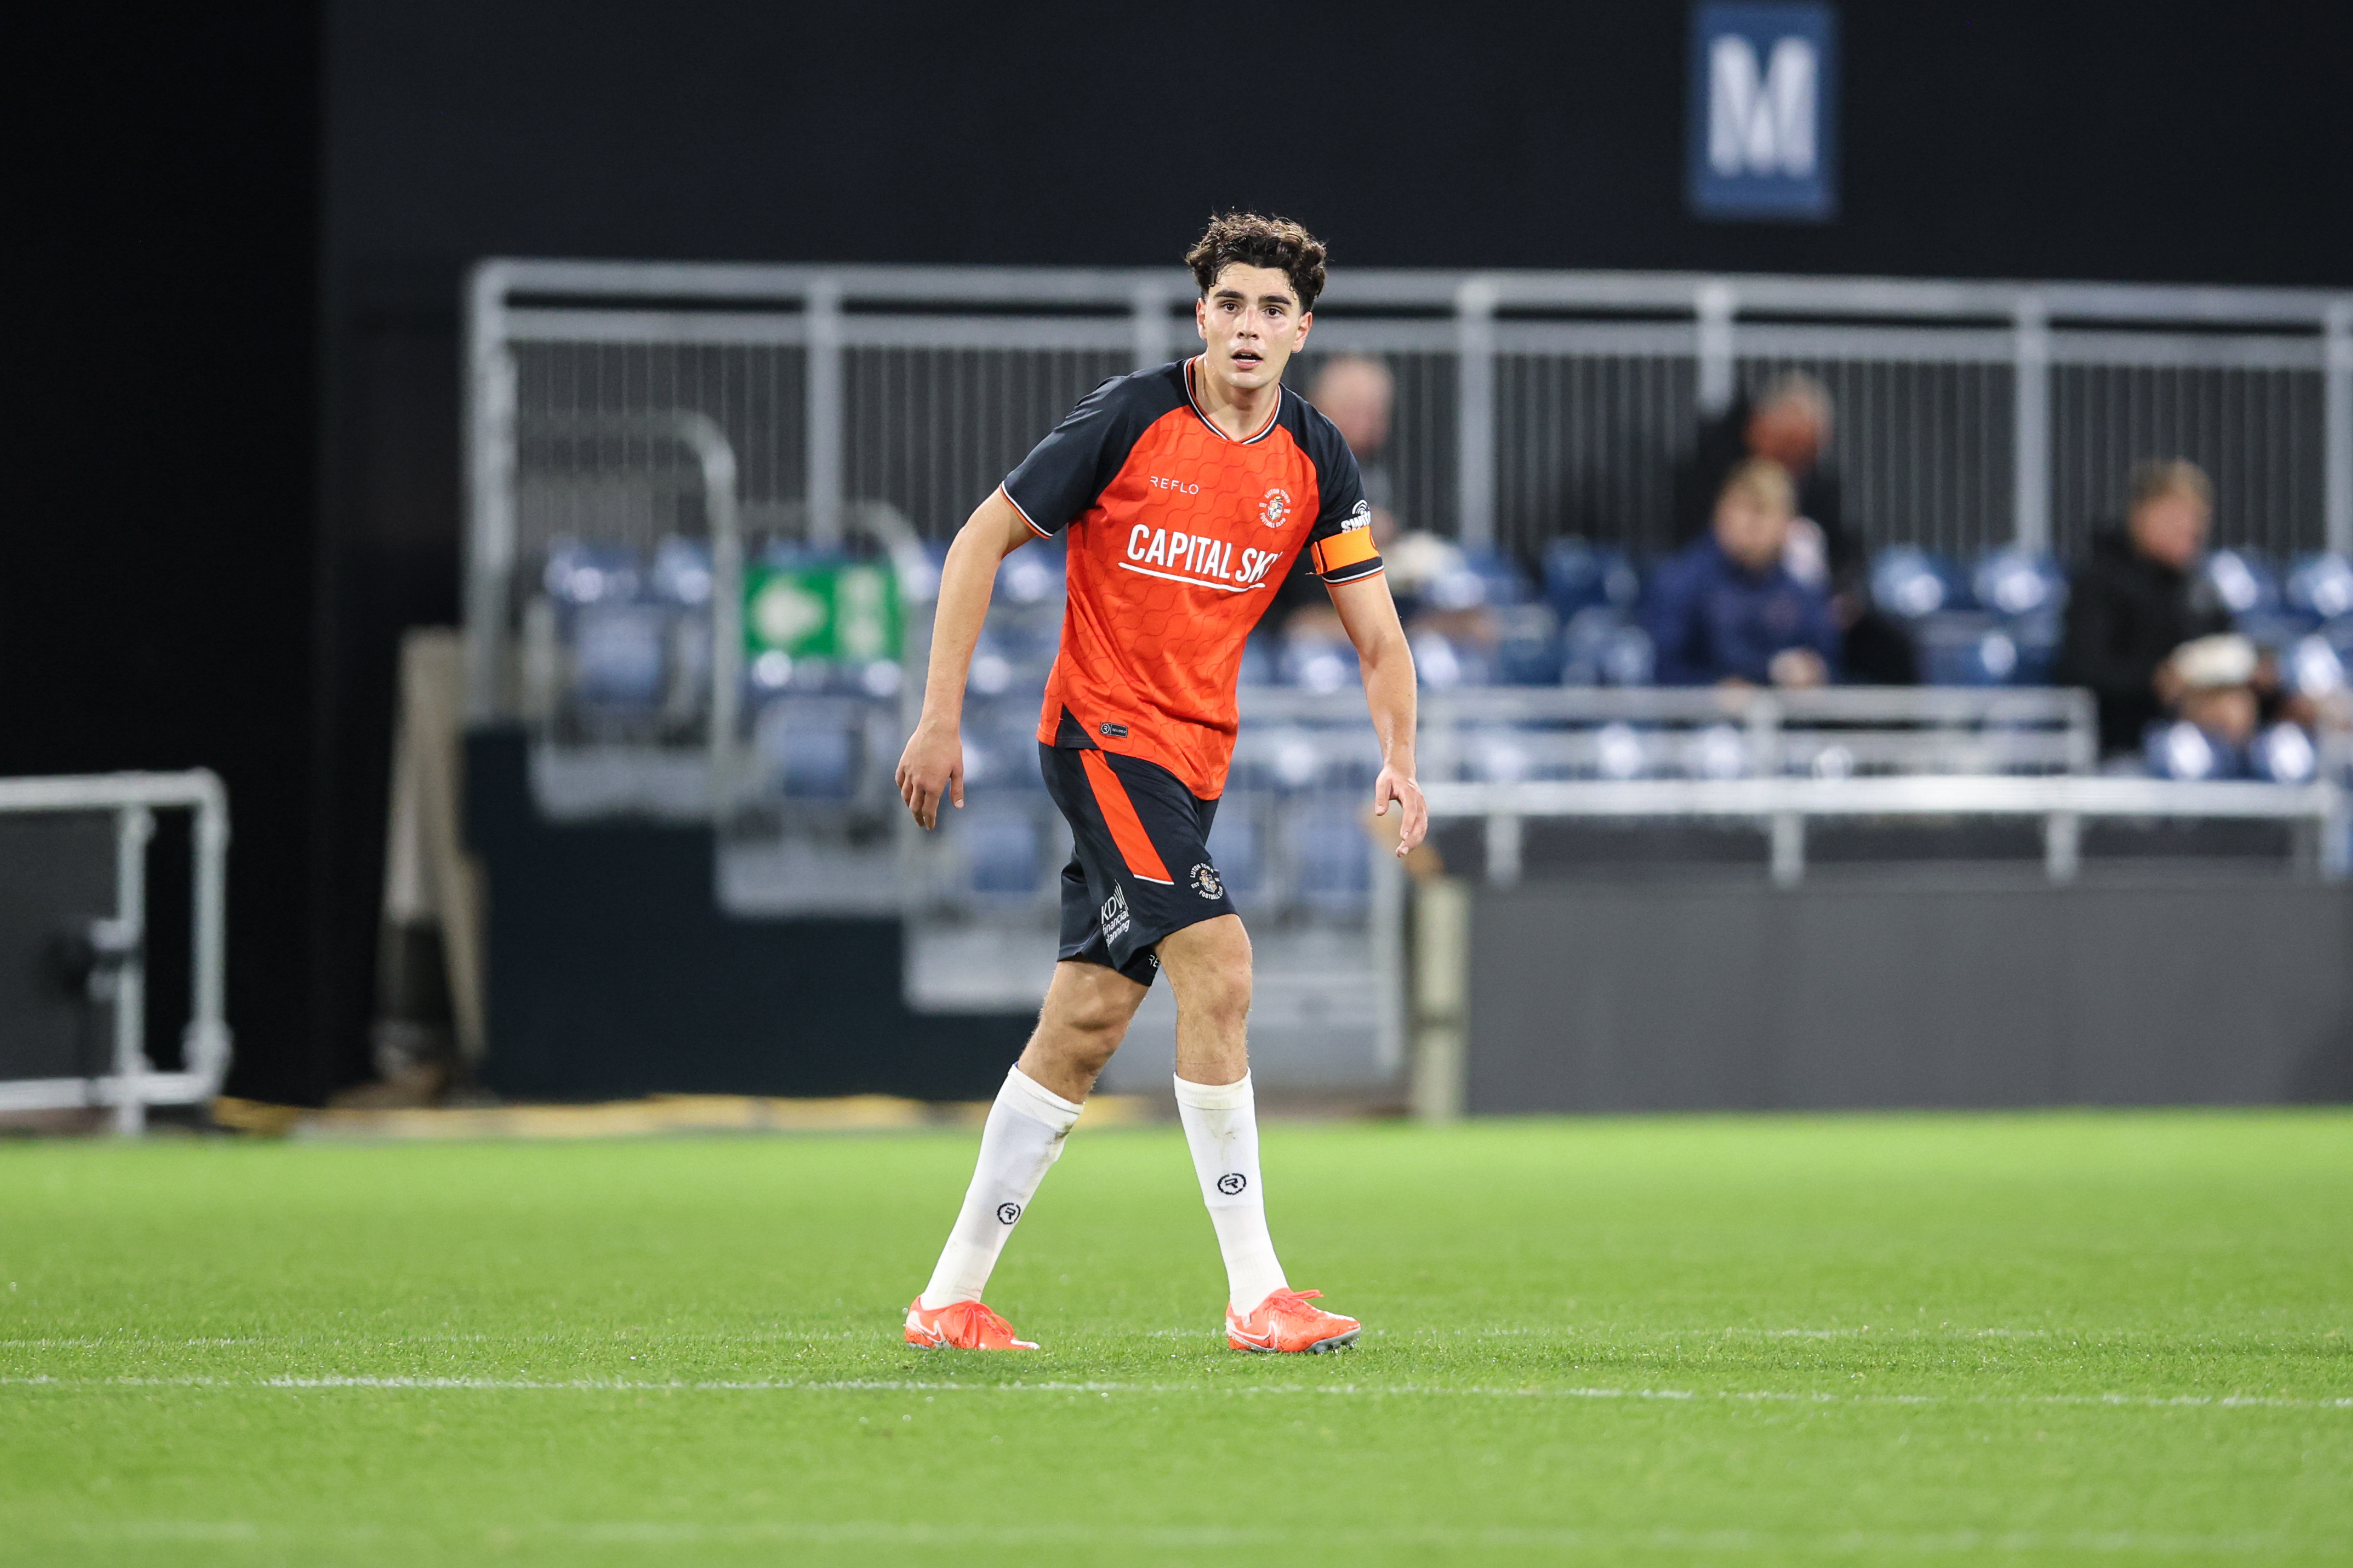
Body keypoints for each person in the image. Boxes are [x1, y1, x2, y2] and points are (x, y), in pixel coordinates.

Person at [892, 213, 1427, 1355]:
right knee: (1222, 967)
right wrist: (940, 719)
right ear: (1201, 314)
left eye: (1271, 309)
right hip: (1102, 739)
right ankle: (1256, 1291)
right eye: (1229, 303)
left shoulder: (1318, 458)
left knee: (1083, 1024)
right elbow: (978, 540)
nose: (1248, 325)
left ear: (1302, 330)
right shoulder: (1128, 418)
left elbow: (1380, 638)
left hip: (1193, 763)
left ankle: (948, 1299)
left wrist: (1401, 755)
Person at [1673, 373, 1918, 684]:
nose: (1797, 460)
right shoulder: (1716, 480)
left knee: (1888, 648)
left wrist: (1844, 593)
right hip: (1736, 602)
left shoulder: (1819, 490)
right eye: (1789, 444)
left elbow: (1844, 554)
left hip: (1801, 604)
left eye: (1809, 447)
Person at [2055, 459, 2237, 755]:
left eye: (2197, 516)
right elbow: (2082, 672)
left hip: (2198, 742)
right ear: (2142, 515)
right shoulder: (2099, 580)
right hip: (2121, 747)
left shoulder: (2199, 589)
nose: (2191, 528)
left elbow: (2225, 648)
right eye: (2177, 514)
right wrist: (2157, 682)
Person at [1645, 458, 1840, 688]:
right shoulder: (1681, 581)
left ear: (1788, 522)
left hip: (1786, 718)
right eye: (1743, 508)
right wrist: (1714, 692)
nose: (1752, 524)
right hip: (1703, 721)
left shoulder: (1801, 587)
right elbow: (1662, 671)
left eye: (1764, 511)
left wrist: (1813, 673)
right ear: (1720, 513)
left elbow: (1832, 663)